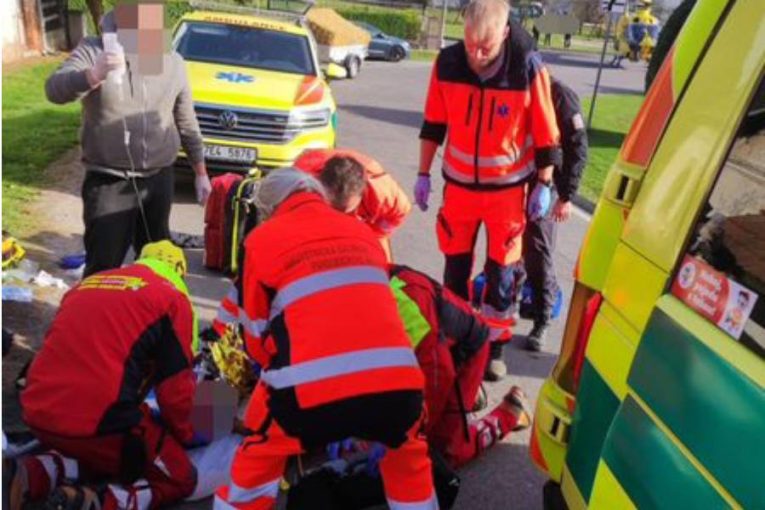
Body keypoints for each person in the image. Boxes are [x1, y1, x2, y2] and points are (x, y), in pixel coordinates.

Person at [214, 169, 436, 510]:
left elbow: (255, 339)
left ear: (269, 209)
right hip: (397, 385)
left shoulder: (261, 241)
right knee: (408, 461)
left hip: (306, 395)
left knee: (258, 454)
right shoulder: (362, 233)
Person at [415, 0, 561, 380]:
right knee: (455, 271)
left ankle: (494, 349)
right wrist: (423, 173)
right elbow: (433, 123)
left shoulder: (527, 66)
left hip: (506, 195)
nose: (476, 55)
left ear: (505, 33)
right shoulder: (447, 64)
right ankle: (456, 341)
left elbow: (546, 133)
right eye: (470, 44)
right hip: (459, 191)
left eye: (486, 46)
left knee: (502, 275)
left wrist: (544, 184)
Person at [13, 241, 207, 510]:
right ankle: (97, 501)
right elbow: (175, 395)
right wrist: (190, 432)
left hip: (38, 412)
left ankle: (33, 472)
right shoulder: (172, 298)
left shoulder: (87, 284)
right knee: (181, 478)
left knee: (95, 453)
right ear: (180, 272)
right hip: (102, 425)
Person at [45, 2, 211, 278]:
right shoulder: (94, 50)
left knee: (158, 267)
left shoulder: (173, 62)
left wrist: (200, 173)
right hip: (108, 181)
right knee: (104, 268)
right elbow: (54, 90)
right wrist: (92, 75)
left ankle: (150, 307)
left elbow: (186, 121)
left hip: (158, 180)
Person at [390, 265, 532, 469]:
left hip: (464, 350)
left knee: (440, 453)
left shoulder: (403, 304)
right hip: (437, 345)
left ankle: (511, 414)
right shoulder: (363, 288)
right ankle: (465, 399)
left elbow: (437, 376)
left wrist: (412, 434)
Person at [522, 76, 588, 351]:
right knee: (510, 248)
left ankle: (543, 318)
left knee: (538, 252)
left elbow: (578, 148)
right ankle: (508, 305)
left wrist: (566, 196)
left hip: (546, 186)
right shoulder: (515, 85)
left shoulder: (560, 95)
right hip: (516, 180)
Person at [294, 149, 412, 261]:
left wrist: (370, 235)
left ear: (362, 192)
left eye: (345, 209)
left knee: (380, 263)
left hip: (368, 221)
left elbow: (397, 215)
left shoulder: (385, 195)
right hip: (315, 214)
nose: (340, 216)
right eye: (334, 207)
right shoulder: (299, 187)